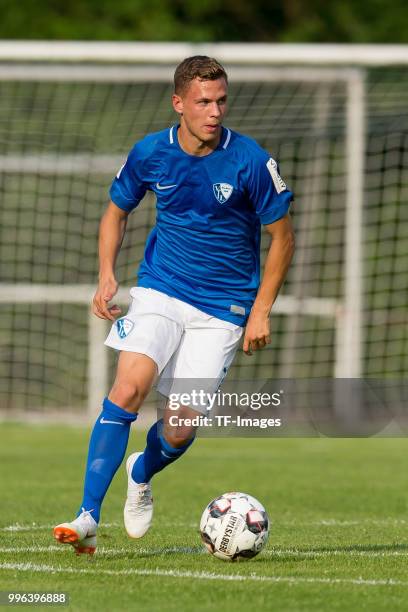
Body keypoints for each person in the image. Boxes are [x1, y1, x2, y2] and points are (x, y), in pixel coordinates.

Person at [53, 55, 295, 555]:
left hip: (223, 309)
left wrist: (261, 310)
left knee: (180, 427)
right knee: (127, 389)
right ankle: (87, 517)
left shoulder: (250, 160)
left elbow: (283, 238)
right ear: (178, 102)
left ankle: (141, 470)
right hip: (160, 289)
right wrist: (106, 274)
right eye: (204, 101)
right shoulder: (151, 153)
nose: (214, 111)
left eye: (221, 100)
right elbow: (116, 212)